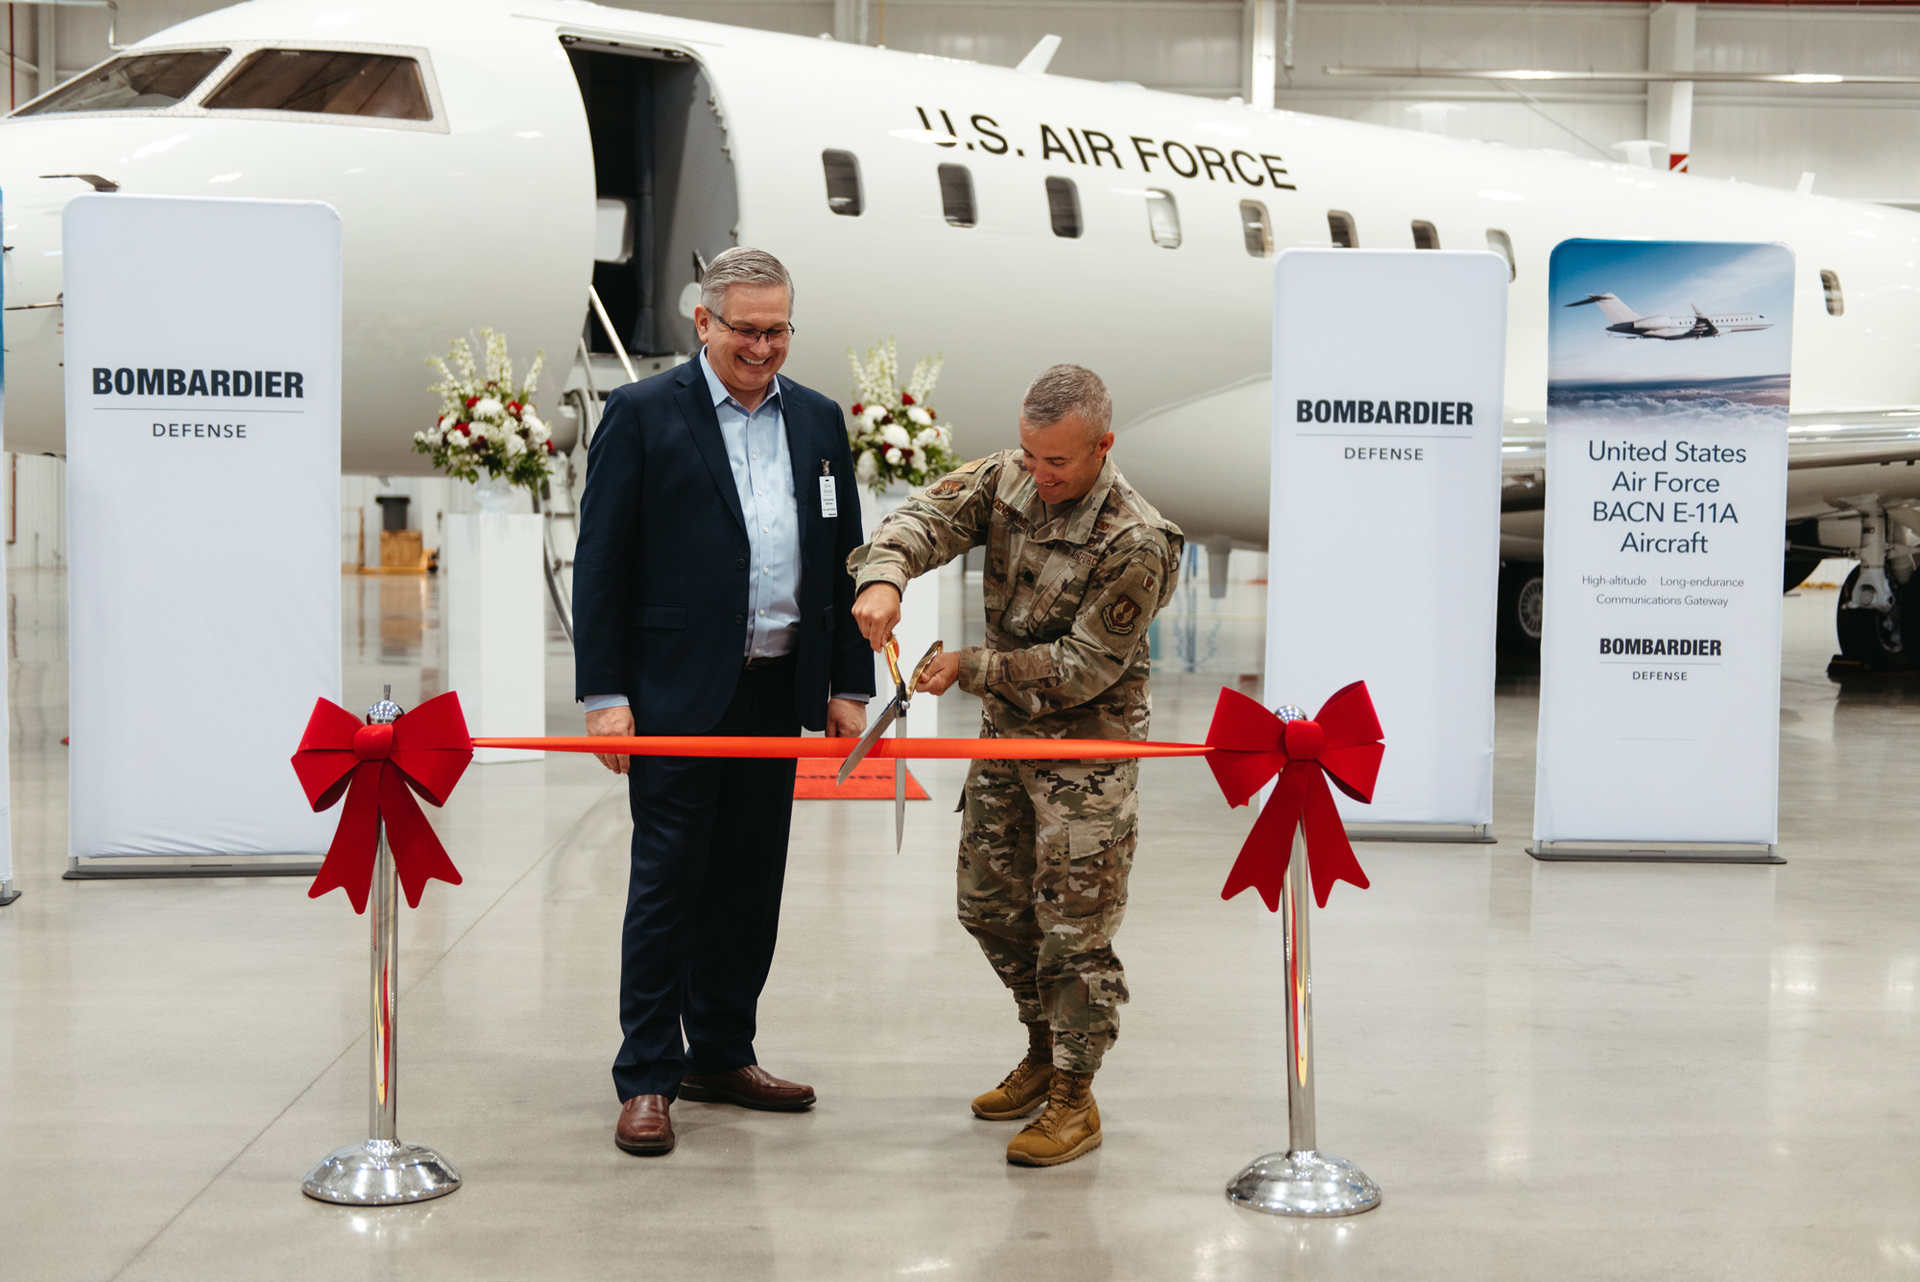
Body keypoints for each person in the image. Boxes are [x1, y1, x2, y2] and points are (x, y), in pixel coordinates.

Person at [573, 246, 872, 1158]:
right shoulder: (640, 414)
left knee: (750, 881)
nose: (763, 346)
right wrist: (606, 694)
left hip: (775, 690)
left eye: (778, 329)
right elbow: (603, 564)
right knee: (668, 885)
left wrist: (848, 681)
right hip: (672, 697)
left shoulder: (818, 421)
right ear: (703, 323)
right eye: (746, 329)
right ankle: (648, 1076)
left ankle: (723, 1053)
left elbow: (846, 556)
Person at [847, 364, 1183, 1167]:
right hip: (1006, 744)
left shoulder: (1138, 539)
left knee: (1075, 935)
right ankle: (1042, 1047)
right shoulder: (1009, 478)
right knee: (988, 906)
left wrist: (971, 669)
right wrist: (886, 573)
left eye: (1058, 462)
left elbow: (1084, 667)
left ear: (1103, 446)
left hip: (1086, 762)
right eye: (1032, 456)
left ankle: (1075, 1093)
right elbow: (928, 515)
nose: (1040, 475)